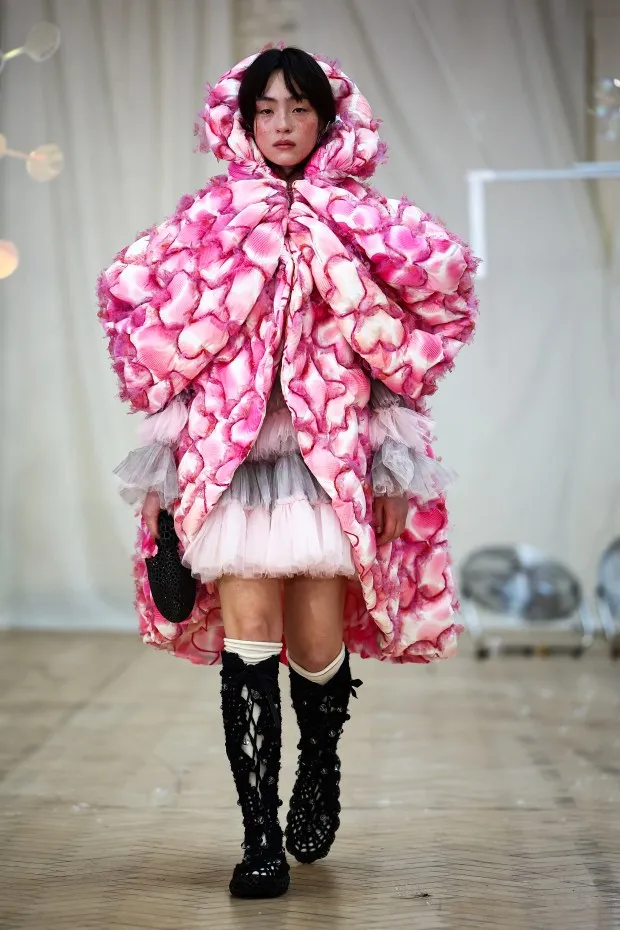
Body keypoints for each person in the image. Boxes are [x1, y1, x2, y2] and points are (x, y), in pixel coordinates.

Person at [97, 46, 478, 899]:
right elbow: (161, 340)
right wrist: (162, 472)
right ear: (242, 120)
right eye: (265, 109)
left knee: (315, 642)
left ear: (326, 120)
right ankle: (259, 835)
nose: (280, 125)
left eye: (297, 109)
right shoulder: (209, 221)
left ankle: (321, 764)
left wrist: (391, 469)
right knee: (250, 638)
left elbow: (398, 355)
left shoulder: (367, 224)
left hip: (328, 460)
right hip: (227, 460)